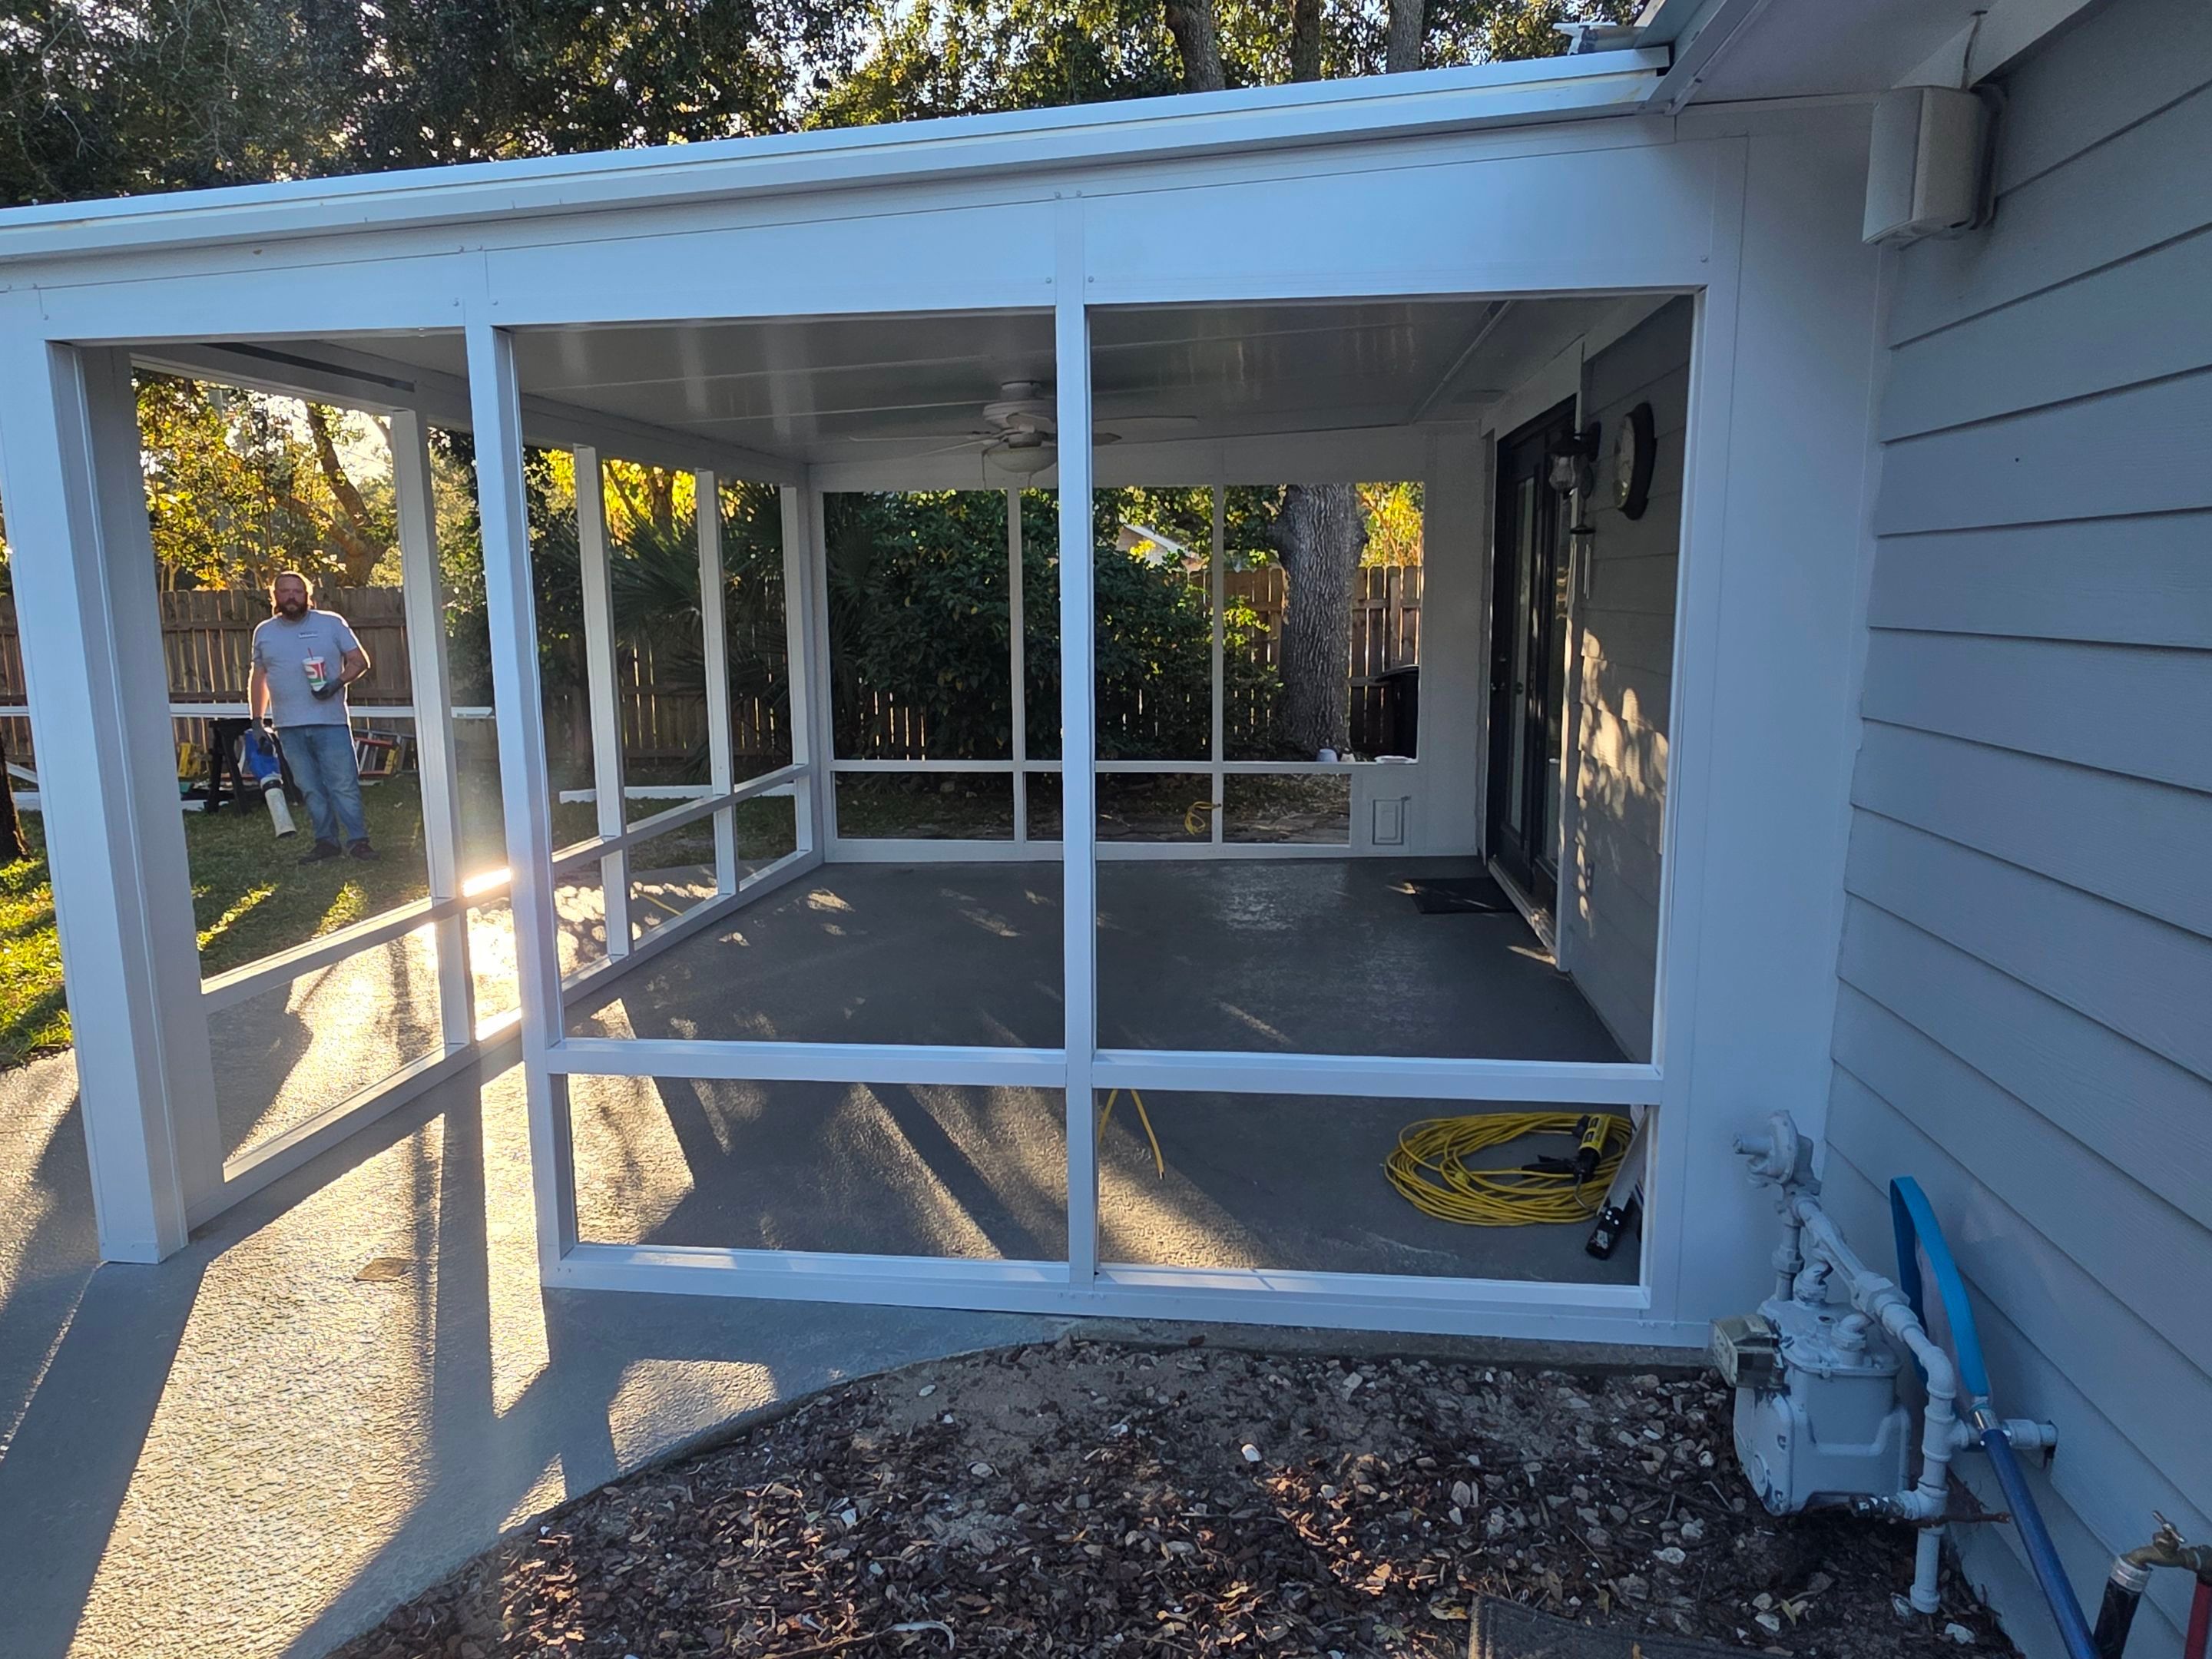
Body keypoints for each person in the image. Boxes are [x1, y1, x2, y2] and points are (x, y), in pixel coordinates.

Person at [248, 571, 379, 864]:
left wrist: (335, 683)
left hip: (330, 722)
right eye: (285, 591)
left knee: (343, 784)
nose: (292, 597)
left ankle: (358, 842)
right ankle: (326, 842)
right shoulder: (264, 632)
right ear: (275, 596)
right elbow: (259, 677)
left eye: (298, 591)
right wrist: (257, 721)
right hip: (288, 725)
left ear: (307, 595)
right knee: (309, 787)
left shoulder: (331, 623)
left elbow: (360, 661)